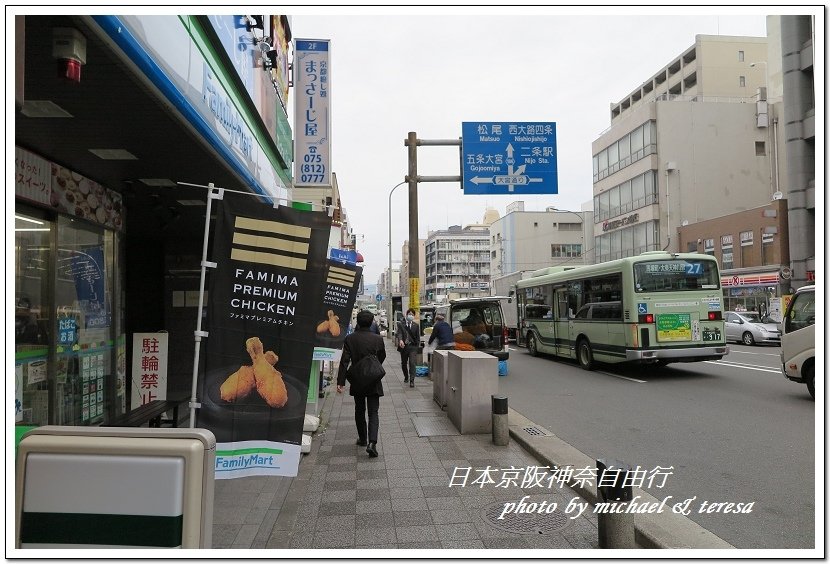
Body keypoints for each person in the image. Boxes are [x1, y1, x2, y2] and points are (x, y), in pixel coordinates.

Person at [337, 310, 386, 457]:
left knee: (359, 409)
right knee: (373, 412)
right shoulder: (378, 339)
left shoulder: (350, 339)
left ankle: (363, 439)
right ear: (372, 322)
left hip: (358, 379)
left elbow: (344, 361)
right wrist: (373, 367)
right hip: (373, 379)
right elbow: (382, 356)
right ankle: (372, 443)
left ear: (357, 322)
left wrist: (341, 381)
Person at [396, 308, 419, 387]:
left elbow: (417, 338)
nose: (411, 316)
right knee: (404, 363)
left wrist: (417, 347)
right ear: (406, 315)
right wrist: (400, 340)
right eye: (409, 314)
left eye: (412, 315)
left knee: (412, 363)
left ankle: (412, 380)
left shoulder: (416, 326)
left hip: (413, 347)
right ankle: (406, 376)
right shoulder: (401, 324)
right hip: (404, 347)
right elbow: (399, 334)